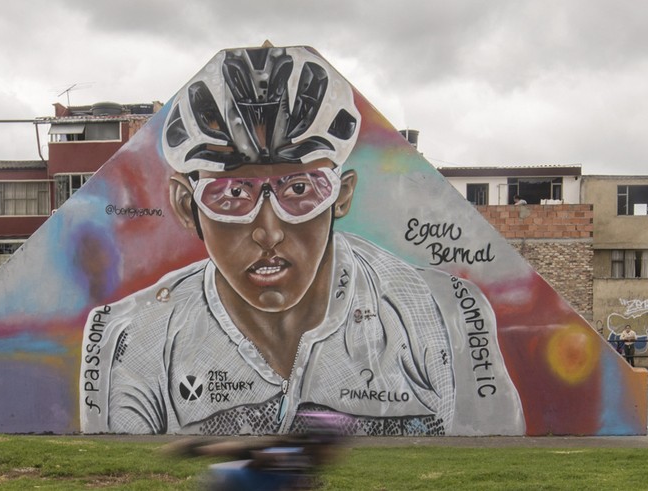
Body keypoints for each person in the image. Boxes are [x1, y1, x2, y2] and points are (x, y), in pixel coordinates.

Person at [80, 45, 523, 436]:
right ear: (184, 205)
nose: (269, 232)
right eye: (233, 194)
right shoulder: (129, 336)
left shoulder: (443, 315)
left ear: (342, 196)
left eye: (299, 190)